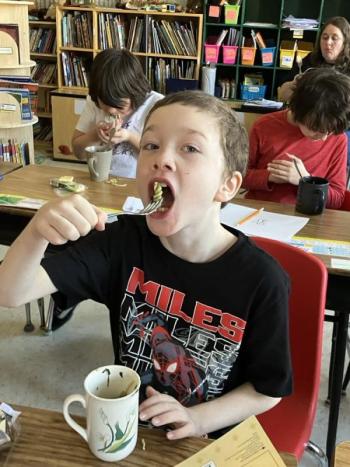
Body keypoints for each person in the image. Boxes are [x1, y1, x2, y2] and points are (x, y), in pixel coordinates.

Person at [0, 91, 292, 440]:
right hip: (132, 426)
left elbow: (267, 389)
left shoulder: (262, 280)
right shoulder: (120, 242)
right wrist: (36, 232)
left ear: (227, 185)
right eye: (151, 144)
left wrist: (197, 420)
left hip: (208, 436)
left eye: (189, 148)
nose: (161, 158)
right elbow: (11, 292)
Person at [243, 68, 350, 209]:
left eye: (329, 132)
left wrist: (305, 181)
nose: (324, 138)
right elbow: (238, 177)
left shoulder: (338, 139)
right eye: (317, 130)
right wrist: (269, 176)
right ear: (299, 111)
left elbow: (337, 199)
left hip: (308, 218)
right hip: (259, 213)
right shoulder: (264, 126)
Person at [72, 48, 163, 179]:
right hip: (101, 180)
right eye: (105, 105)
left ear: (135, 93)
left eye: (120, 107)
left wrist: (129, 137)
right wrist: (95, 134)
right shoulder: (94, 101)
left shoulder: (157, 105)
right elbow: (78, 152)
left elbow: (160, 157)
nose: (111, 111)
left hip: (142, 185)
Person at [278, 16, 350, 103]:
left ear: (345, 43)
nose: (328, 42)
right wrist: (294, 83)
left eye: (334, 38)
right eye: (325, 37)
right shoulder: (309, 60)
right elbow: (282, 95)